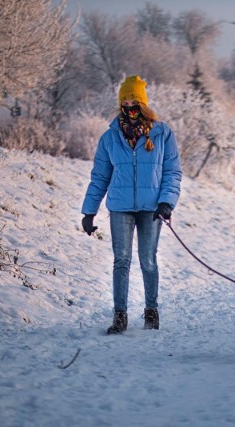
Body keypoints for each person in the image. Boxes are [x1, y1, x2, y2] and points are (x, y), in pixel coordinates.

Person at [81, 75, 182, 335]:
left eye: (134, 100)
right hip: (121, 207)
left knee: (148, 260)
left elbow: (172, 172)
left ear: (143, 104)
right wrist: (89, 211)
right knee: (121, 261)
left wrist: (166, 202)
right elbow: (100, 176)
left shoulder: (162, 134)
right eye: (125, 100)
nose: (130, 105)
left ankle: (151, 310)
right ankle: (120, 316)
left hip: (152, 208)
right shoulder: (110, 138)